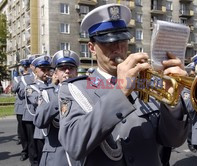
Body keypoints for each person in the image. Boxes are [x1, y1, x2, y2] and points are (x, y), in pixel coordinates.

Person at [58, 4, 188, 166]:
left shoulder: (146, 83)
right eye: (108, 42)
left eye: (122, 40)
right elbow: (74, 145)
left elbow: (173, 140)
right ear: (92, 47)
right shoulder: (76, 88)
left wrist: (172, 103)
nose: (118, 48)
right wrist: (120, 91)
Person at [33, 50, 80, 166]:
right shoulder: (47, 94)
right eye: (63, 68)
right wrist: (61, 95)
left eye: (71, 68)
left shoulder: (84, 93)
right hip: (57, 155)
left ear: (76, 72)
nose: (67, 71)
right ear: (56, 73)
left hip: (81, 154)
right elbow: (39, 121)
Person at [23, 55, 51, 166]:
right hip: (41, 129)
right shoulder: (30, 87)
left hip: (54, 128)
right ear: (35, 71)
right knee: (40, 155)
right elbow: (38, 100)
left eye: (48, 69)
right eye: (43, 70)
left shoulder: (54, 84)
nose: (46, 72)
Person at [12, 59, 30, 161]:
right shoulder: (20, 79)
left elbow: (13, 89)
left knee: (26, 132)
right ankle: (26, 151)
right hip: (23, 108)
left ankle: (26, 151)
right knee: (25, 131)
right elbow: (14, 89)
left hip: (25, 108)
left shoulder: (19, 79)